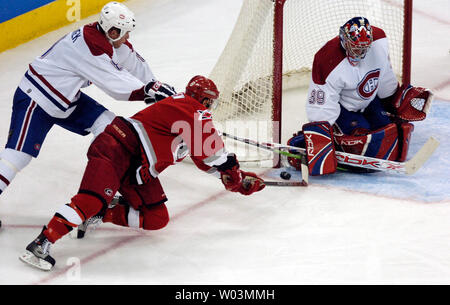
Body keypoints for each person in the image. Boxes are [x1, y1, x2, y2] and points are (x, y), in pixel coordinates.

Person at [19, 75, 266, 271]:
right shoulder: (190, 108)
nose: (210, 108)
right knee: (90, 199)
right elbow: (214, 151)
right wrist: (231, 169)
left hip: (137, 168)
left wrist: (237, 179)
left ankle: (100, 214)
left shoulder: (188, 120)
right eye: (210, 102)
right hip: (116, 149)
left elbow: (206, 160)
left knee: (157, 218)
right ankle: (41, 243)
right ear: (205, 100)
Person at [0, 2, 176, 227]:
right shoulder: (88, 46)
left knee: (111, 128)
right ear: (113, 31)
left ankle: (105, 190)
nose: (128, 36)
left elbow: (134, 63)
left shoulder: (108, 39)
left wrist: (156, 87)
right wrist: (146, 91)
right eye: (125, 31)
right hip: (37, 98)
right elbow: (115, 84)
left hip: (67, 99)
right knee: (17, 157)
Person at [287, 17, 433, 175]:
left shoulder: (379, 42)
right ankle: (307, 143)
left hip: (370, 101)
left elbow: (384, 75)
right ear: (343, 39)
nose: (359, 52)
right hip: (344, 109)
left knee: (392, 129)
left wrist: (391, 99)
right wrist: (319, 138)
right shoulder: (327, 59)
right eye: (355, 47)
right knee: (362, 137)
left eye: (364, 48)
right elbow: (321, 103)